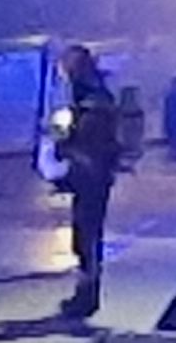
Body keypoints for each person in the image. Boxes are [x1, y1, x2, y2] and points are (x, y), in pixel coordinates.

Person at [50, 44, 125, 318]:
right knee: (84, 237)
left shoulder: (94, 101)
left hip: (93, 177)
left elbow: (91, 142)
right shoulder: (90, 95)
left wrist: (66, 144)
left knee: (88, 238)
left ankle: (87, 296)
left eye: (68, 66)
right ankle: (85, 293)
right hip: (91, 177)